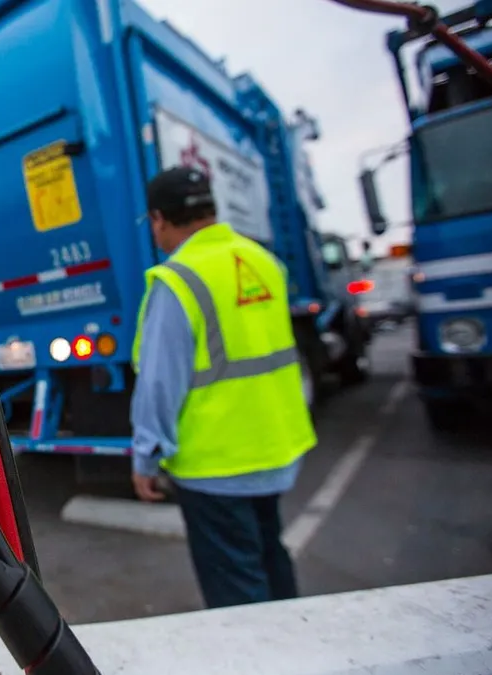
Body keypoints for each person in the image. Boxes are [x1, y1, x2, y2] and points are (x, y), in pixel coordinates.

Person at [129, 166, 317, 609]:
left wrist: (146, 455)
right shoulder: (262, 262)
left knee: (236, 591)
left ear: (159, 218)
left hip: (215, 464)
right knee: (272, 558)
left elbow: (159, 382)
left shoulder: (177, 280)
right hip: (275, 447)